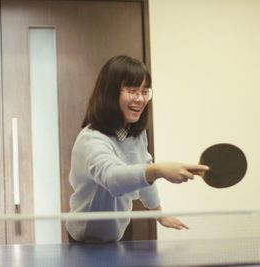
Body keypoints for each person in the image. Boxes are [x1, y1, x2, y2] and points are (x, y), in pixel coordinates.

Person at [66, 55, 209, 243]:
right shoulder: (91, 140)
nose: (140, 99)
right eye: (132, 90)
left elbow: (143, 174)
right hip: (87, 238)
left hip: (120, 228)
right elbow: (113, 178)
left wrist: (159, 214)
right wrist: (159, 170)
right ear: (109, 93)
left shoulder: (135, 134)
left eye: (145, 91)